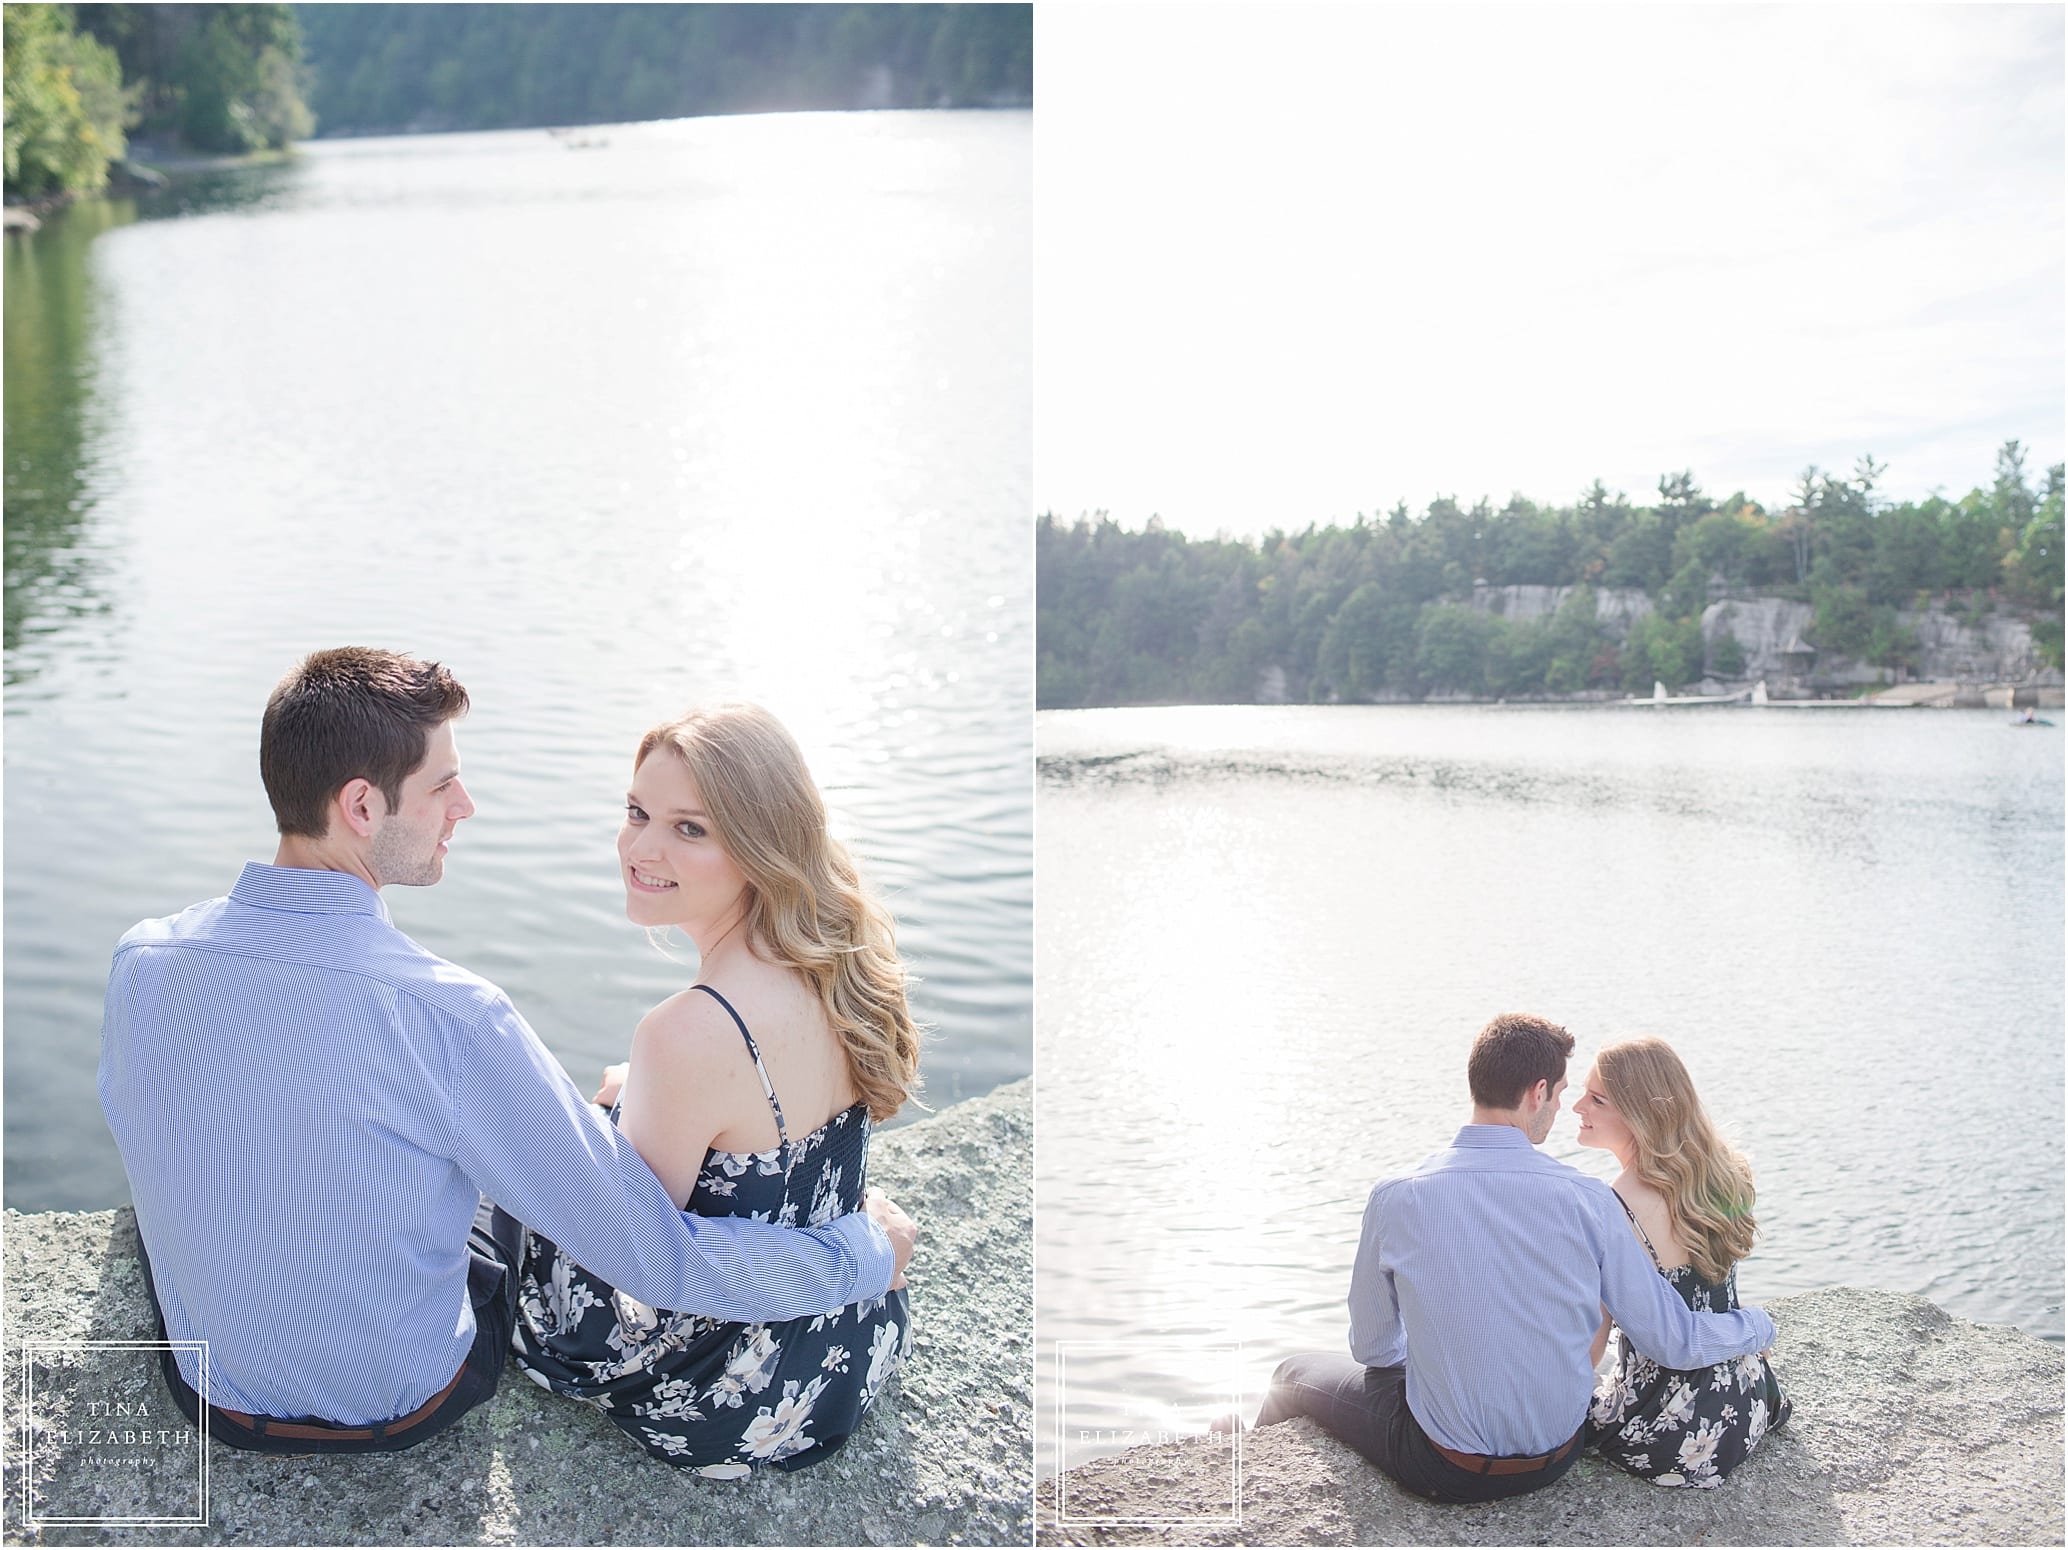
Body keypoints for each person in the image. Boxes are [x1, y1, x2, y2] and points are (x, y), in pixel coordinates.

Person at [98, 648, 917, 1455]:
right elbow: (654, 1260)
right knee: (502, 1186)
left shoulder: (141, 960)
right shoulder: (454, 1017)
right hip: (402, 1402)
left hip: (210, 1390)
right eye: (442, 784)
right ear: (360, 807)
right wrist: (861, 1253)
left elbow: (141, 1128)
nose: (467, 806)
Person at [506, 704, 921, 1476]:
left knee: (501, 1209)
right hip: (849, 1342)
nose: (640, 848)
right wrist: (646, 1097)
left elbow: (628, 1262)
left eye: (688, 829)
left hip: (728, 1391)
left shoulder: (683, 1033)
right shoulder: (837, 965)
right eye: (637, 813)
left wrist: (594, 1127)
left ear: (760, 847)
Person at [1251, 1013, 1775, 1504]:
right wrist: (1757, 1325)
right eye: (1566, 1092)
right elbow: (1670, 1337)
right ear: (1538, 1092)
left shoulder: (1397, 1196)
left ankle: (1249, 1472)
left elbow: (1374, 1349)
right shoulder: (1590, 1200)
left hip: (1442, 1468)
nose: (1566, 1108)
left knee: (1292, 1371)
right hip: (1557, 1459)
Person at [1575, 1037, 1790, 1486]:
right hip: (1746, 1402)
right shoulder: (1724, 1173)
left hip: (1671, 1430)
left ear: (1640, 1113)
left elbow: (1593, 1337)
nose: (1578, 1107)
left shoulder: (1617, 1208)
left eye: (1596, 1099)